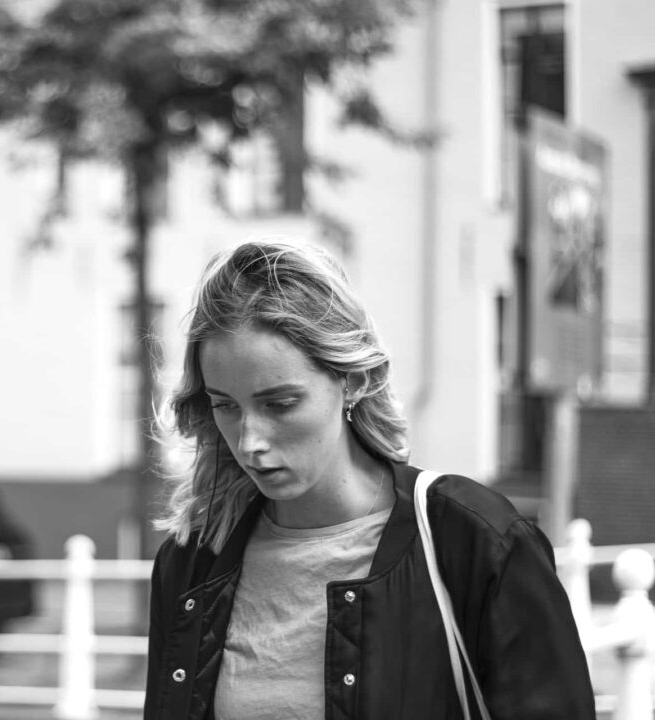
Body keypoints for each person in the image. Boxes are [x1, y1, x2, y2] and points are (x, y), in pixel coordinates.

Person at [144, 240, 595, 719]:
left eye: (280, 404)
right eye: (225, 406)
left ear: (354, 381)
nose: (250, 440)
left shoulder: (477, 541)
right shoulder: (192, 561)